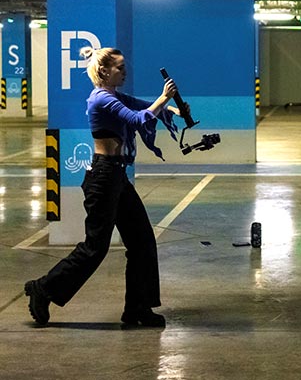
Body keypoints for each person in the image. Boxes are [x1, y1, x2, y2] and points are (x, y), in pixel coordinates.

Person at [25, 46, 184, 327]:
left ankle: (137, 308)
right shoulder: (100, 99)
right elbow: (137, 118)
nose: (125, 71)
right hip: (104, 178)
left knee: (143, 242)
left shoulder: (114, 96)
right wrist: (163, 98)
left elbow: (139, 106)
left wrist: (171, 108)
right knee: (94, 248)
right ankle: (43, 288)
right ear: (104, 71)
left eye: (124, 67)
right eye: (120, 67)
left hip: (117, 177)